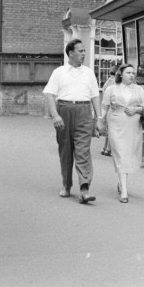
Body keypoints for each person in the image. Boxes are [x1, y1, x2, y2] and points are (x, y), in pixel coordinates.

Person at [43, 39, 101, 204]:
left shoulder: (89, 72)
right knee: (66, 151)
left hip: (84, 111)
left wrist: (99, 118)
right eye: (81, 51)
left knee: (83, 151)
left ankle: (84, 189)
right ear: (71, 53)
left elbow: (95, 95)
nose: (84, 54)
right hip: (64, 110)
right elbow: (49, 94)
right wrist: (55, 115)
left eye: (84, 51)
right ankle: (66, 185)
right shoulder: (59, 72)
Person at [97, 63, 144, 203]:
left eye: (133, 73)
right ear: (121, 74)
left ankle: (122, 183)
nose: (131, 75)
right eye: (128, 72)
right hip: (116, 124)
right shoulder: (111, 89)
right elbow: (104, 107)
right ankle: (124, 191)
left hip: (133, 126)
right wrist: (100, 121)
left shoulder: (139, 89)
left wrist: (137, 109)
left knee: (129, 155)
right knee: (120, 153)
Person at [100, 65, 119, 156]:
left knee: (109, 130)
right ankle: (108, 149)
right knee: (112, 130)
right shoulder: (114, 82)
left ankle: (104, 148)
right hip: (113, 109)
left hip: (107, 108)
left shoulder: (107, 81)